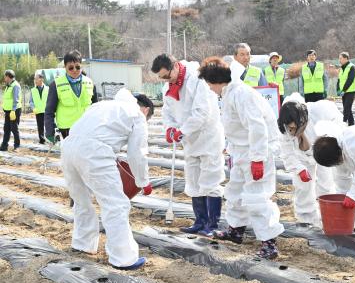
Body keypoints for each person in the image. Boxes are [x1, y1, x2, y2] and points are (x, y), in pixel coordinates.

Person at [198, 56, 284, 259]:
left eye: (209, 84)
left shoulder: (241, 94)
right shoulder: (229, 93)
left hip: (256, 150)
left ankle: (269, 242)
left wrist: (257, 158)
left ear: (217, 81)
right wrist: (231, 149)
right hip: (241, 150)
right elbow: (234, 126)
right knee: (235, 190)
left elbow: (257, 126)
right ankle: (236, 230)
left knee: (257, 196)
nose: (209, 88)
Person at [61, 88, 154, 270]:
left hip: (68, 147)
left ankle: (82, 243)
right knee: (115, 204)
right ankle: (124, 258)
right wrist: (143, 182)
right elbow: (137, 154)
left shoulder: (101, 105)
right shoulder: (137, 114)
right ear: (145, 109)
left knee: (81, 201)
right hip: (94, 151)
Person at [151, 54, 225, 236]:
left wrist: (182, 130)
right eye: (161, 78)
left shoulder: (198, 80)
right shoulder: (168, 87)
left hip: (208, 138)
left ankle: (212, 224)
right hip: (190, 141)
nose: (165, 80)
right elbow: (168, 112)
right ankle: (199, 221)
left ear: (175, 66)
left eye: (167, 76)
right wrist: (170, 128)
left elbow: (202, 113)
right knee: (193, 180)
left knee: (210, 180)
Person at [278, 93, 342, 227]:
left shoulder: (320, 112)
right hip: (302, 159)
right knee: (303, 187)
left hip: (323, 151)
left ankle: (328, 215)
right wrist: (299, 169)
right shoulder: (284, 128)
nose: (293, 131)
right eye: (291, 129)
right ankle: (306, 219)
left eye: (296, 128)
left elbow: (338, 125)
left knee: (326, 182)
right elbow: (287, 153)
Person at [45, 50, 98, 141]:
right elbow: (49, 111)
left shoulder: (90, 83)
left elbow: (96, 107)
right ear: (65, 67)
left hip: (87, 127)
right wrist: (50, 131)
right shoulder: (56, 85)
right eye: (71, 68)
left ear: (81, 66)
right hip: (67, 129)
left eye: (77, 67)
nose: (74, 70)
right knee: (72, 154)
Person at [0, 70, 22, 151]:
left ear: (8, 76)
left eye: (5, 76)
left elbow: (16, 99)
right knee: (6, 128)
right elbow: (7, 99)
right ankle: (4, 146)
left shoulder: (15, 86)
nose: (4, 78)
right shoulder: (8, 85)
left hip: (14, 110)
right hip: (8, 111)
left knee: (14, 129)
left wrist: (13, 110)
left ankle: (17, 146)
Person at [336, 52, 355, 126]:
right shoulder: (342, 68)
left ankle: (343, 123)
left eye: (340, 58)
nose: (339, 60)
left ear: (346, 58)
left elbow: (350, 80)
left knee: (346, 108)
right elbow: (339, 80)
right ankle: (351, 124)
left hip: (350, 92)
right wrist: (338, 89)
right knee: (348, 109)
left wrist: (344, 90)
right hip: (343, 92)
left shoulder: (352, 67)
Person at [30, 73, 49, 144]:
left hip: (47, 111)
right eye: (35, 79)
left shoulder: (48, 89)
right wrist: (33, 108)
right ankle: (42, 141)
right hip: (38, 111)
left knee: (48, 126)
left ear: (41, 79)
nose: (35, 80)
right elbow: (31, 101)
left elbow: (50, 100)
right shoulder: (33, 90)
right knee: (40, 127)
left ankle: (49, 140)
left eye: (36, 79)